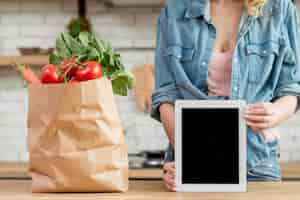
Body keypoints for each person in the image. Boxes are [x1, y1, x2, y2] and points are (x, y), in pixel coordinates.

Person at [151, 0, 300, 191]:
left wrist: (277, 111)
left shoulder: (279, 7)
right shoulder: (175, 10)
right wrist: (189, 158)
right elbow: (166, 96)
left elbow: (291, 87)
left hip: (256, 163)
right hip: (192, 162)